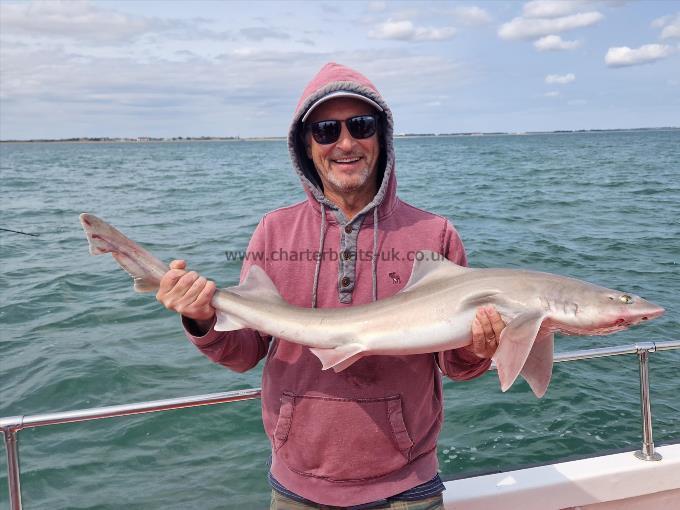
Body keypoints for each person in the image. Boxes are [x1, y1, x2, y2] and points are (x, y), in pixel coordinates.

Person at [156, 63, 505, 509]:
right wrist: (202, 317)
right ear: (306, 145)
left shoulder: (435, 235)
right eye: (325, 130)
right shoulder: (273, 232)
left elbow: (455, 365)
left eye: (361, 126)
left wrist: (479, 347)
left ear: (382, 136)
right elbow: (245, 353)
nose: (345, 143)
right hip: (298, 484)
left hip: (407, 483)